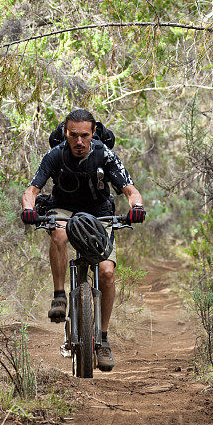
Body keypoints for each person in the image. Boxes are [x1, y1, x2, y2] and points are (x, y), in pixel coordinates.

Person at [20, 109, 146, 371]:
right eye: (73, 135)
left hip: (99, 214)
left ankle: (102, 338)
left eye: (84, 136)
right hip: (63, 210)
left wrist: (137, 206)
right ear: (65, 133)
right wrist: (28, 209)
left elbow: (130, 190)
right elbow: (32, 190)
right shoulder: (55, 155)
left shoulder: (105, 155)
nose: (79, 141)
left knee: (107, 271)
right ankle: (58, 297)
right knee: (59, 232)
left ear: (93, 134)